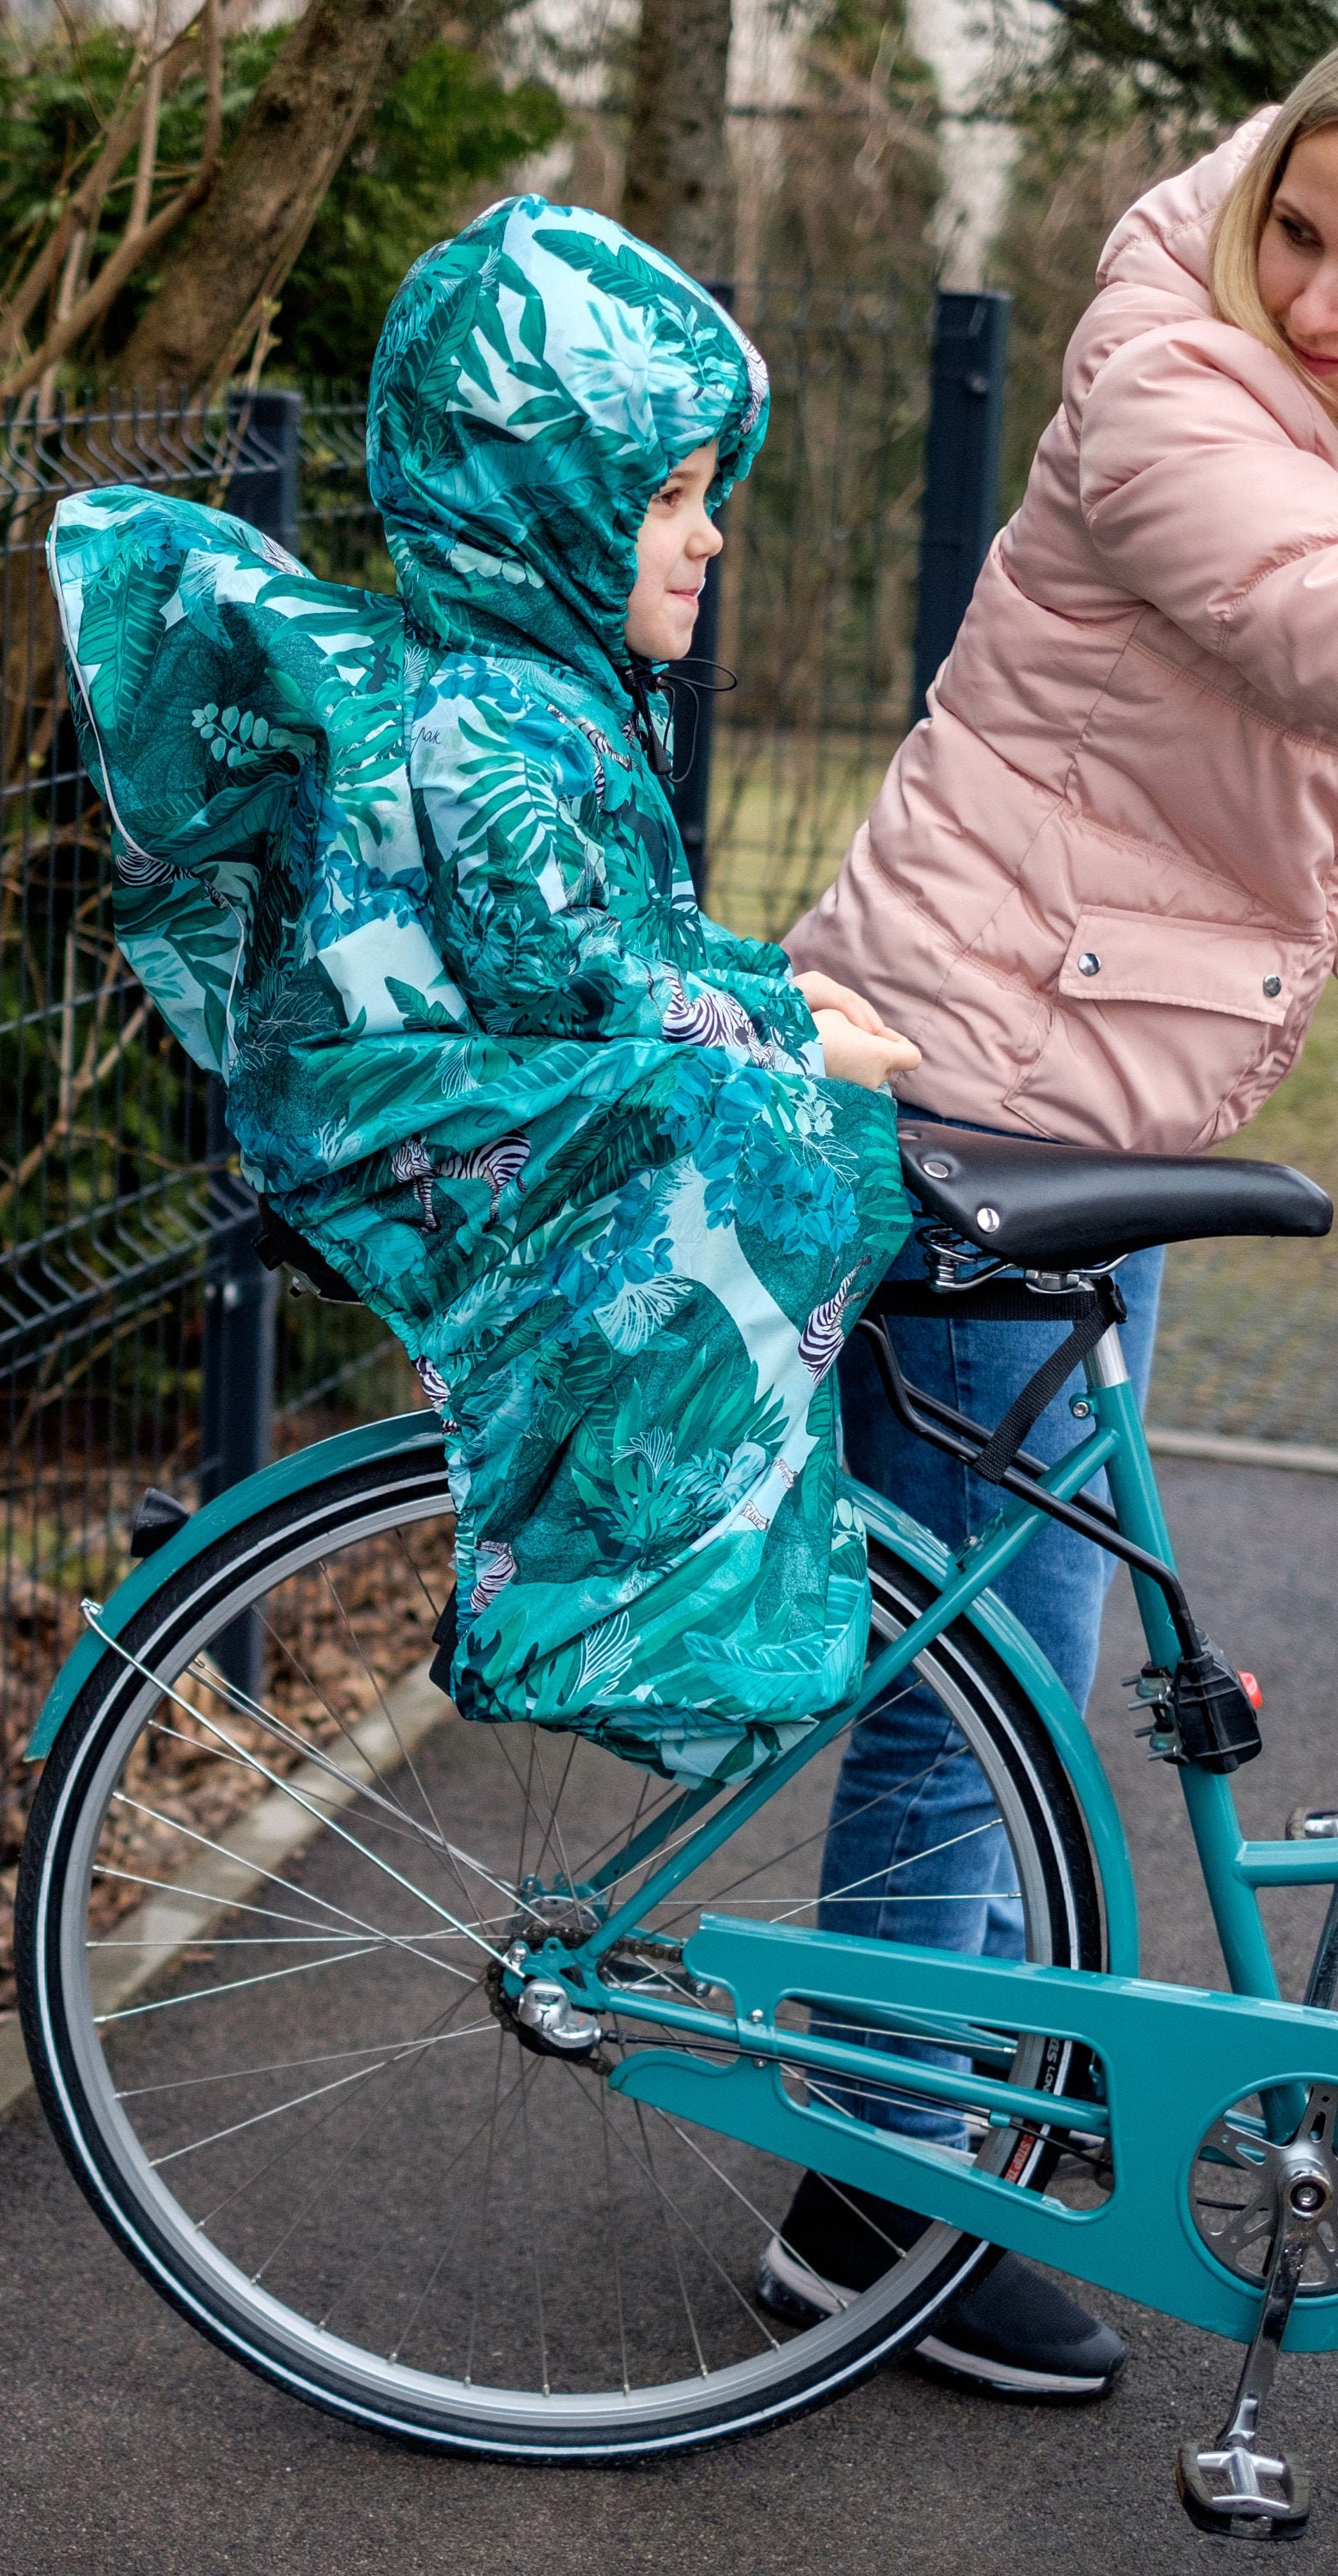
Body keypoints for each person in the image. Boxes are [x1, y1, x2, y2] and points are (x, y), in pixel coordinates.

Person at [52, 200, 917, 1817]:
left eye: (708, 493)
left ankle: (668, 1567)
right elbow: (566, 973)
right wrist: (788, 1039)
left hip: (471, 1080)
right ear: (547, 509)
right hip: (421, 1113)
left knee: (762, 1114)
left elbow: (624, 938)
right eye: (665, 495)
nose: (708, 534)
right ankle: (627, 1602)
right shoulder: (491, 717)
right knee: (760, 1136)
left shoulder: (549, 695)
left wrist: (757, 985)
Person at [769, 58, 1338, 2400]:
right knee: (967, 1683)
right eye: (1304, 232)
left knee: (1021, 1651)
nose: (1315, 297)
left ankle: (954, 2096)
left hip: (1098, 1084)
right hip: (997, 1087)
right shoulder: (1168, 375)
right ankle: (874, 2196)